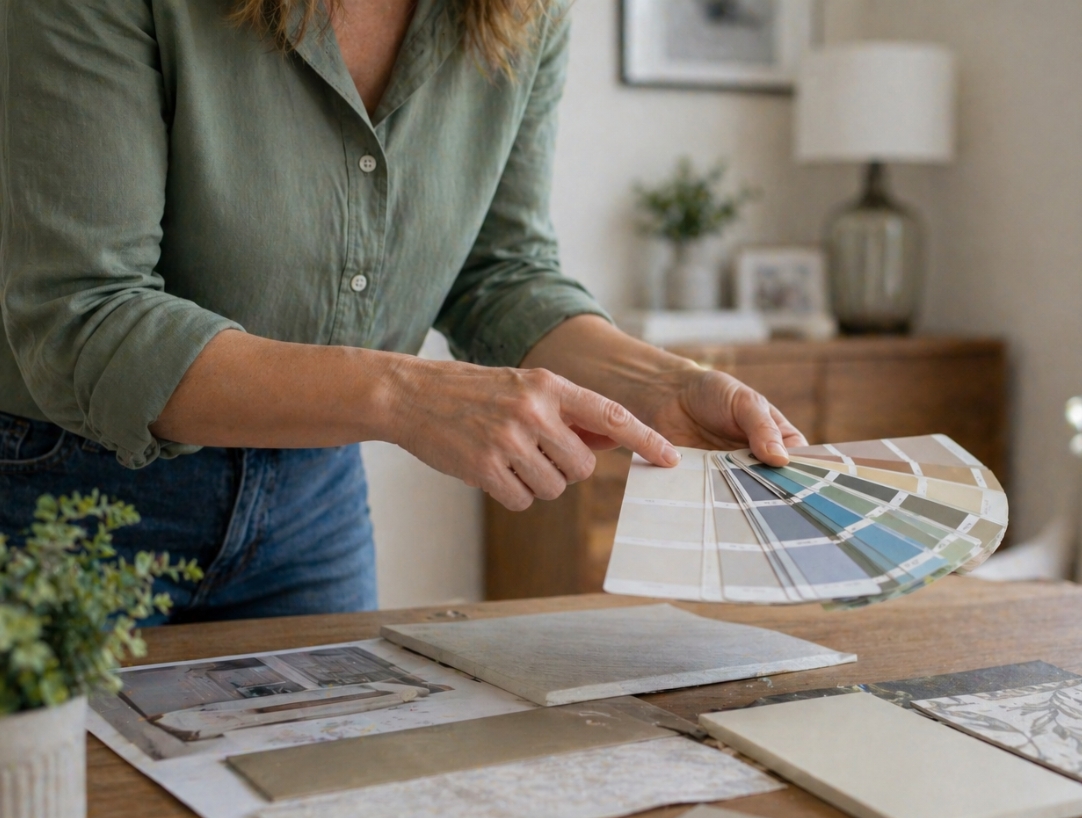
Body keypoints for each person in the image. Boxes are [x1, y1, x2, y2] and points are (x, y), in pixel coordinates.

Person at [0, 0, 805, 622]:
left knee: (329, 815)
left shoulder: (524, 14)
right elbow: (85, 316)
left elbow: (500, 272)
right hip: (63, 491)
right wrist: (406, 397)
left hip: (310, 500)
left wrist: (661, 386)